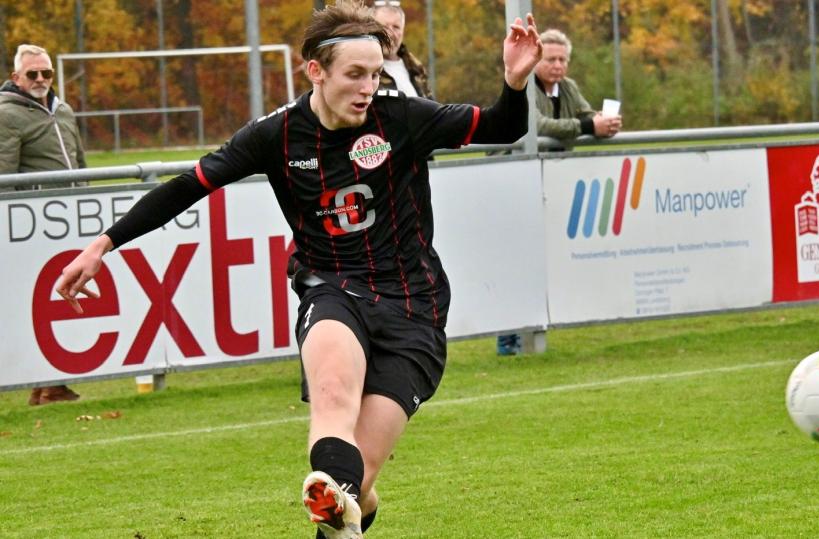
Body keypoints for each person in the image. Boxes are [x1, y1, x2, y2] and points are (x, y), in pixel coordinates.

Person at [54, 2, 541, 537]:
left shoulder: (401, 115)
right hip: (333, 290)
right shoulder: (276, 135)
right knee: (332, 402)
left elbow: (502, 127)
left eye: (375, 73)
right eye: (355, 74)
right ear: (316, 71)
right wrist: (103, 244)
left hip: (413, 308)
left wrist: (515, 83)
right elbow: (187, 188)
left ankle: (347, 503)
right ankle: (338, 498)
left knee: (355, 485)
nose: (367, 86)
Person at [496, 28, 621, 356]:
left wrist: (602, 122)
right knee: (516, 257)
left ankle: (540, 322)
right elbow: (536, 126)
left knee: (545, 257)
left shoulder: (568, 87)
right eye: (550, 59)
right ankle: (508, 335)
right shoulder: (522, 86)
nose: (557, 65)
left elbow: (583, 114)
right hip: (514, 179)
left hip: (551, 182)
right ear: (537, 61)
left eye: (563, 59)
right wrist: (586, 128)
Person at [0, 43, 86, 405]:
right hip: (34, 222)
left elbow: (80, 161)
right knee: (42, 299)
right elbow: (4, 171)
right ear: (16, 77)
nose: (40, 79)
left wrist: (85, 194)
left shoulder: (63, 109)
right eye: (32, 74)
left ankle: (48, 384)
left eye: (45, 73)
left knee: (61, 296)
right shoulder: (6, 114)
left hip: (69, 216)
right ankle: (48, 382)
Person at [369, 0, 430, 98]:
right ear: (371, 30)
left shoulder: (416, 68)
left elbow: (433, 108)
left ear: (403, 31)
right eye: (383, 27)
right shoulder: (366, 70)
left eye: (396, 27)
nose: (390, 34)